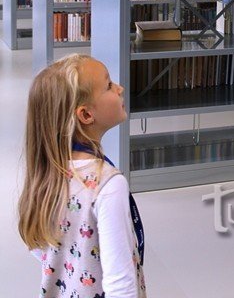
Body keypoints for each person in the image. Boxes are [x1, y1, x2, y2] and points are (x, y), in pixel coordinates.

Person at [18, 54, 147, 298]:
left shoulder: (47, 172)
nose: (120, 89)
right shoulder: (108, 184)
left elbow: (37, 245)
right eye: (109, 85)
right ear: (86, 115)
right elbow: (121, 285)